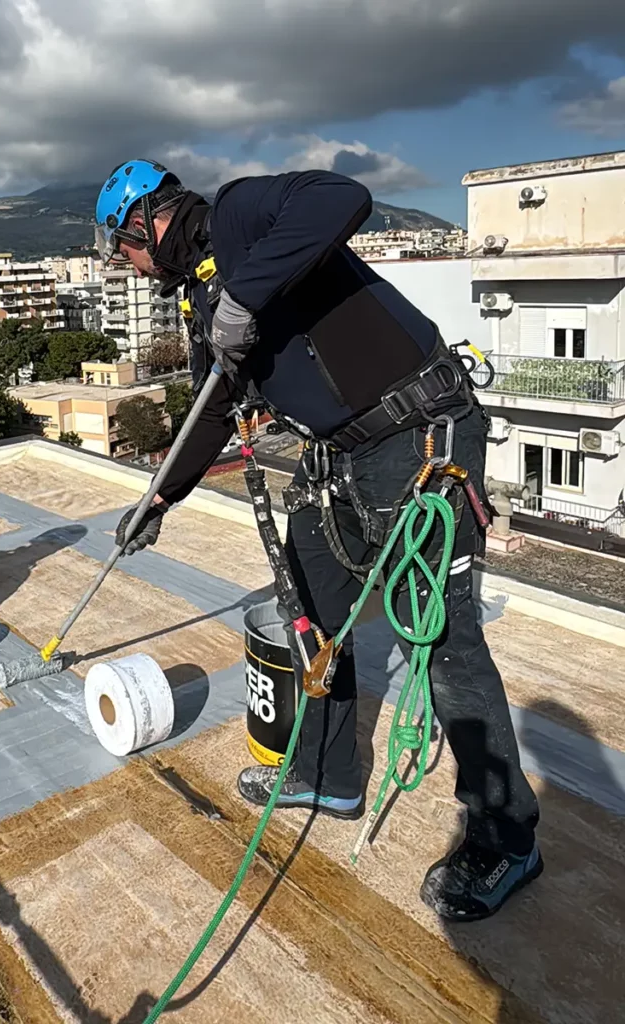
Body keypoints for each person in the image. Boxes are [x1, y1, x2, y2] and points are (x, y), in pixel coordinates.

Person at [95, 159, 542, 922]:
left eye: (124, 248)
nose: (126, 265)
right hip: (343, 460)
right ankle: (327, 773)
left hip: (419, 439)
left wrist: (245, 294)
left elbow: (344, 196)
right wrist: (160, 495)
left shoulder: (241, 217)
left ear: (148, 223)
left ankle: (506, 837)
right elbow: (210, 408)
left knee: (442, 639)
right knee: (307, 609)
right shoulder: (204, 305)